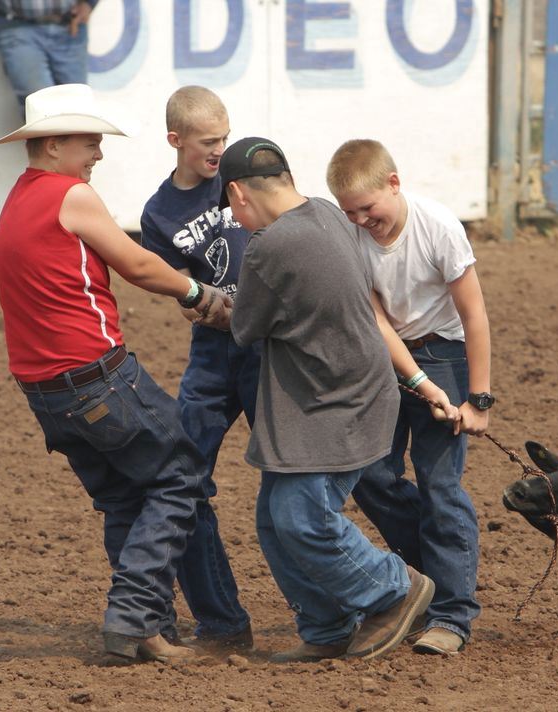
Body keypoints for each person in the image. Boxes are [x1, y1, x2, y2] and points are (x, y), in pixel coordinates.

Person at [0, 83, 231, 663]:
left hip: (45, 391)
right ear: (52, 146)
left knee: (124, 498)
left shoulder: (19, 197)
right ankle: (131, 617)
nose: (98, 154)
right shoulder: (68, 195)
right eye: (88, 143)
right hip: (95, 375)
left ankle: (149, 628)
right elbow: (137, 263)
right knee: (180, 473)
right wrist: (200, 290)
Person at [220, 136, 435, 663]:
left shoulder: (269, 248)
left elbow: (245, 326)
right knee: (277, 517)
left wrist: (205, 300)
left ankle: (394, 589)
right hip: (347, 390)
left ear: (237, 194)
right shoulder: (326, 214)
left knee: (299, 517)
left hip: (331, 402)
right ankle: (326, 628)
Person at [325, 138, 493, 655]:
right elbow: (375, 316)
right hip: (390, 360)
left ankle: (452, 613)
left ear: (393, 185)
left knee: (441, 484)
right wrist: (416, 378)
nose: (360, 220)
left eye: (367, 208)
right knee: (373, 475)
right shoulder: (353, 237)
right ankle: (432, 576)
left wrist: (478, 399)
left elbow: (474, 316)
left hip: (446, 352)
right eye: (349, 212)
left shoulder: (438, 227)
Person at [140, 86, 259, 650]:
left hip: (269, 346)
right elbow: (174, 286)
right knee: (181, 478)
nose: (219, 150)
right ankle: (222, 623)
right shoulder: (159, 213)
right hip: (213, 353)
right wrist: (203, 304)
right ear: (176, 141)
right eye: (209, 142)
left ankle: (408, 588)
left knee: (311, 472)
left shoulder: (241, 172)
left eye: (224, 138)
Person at [0, 1, 97, 109]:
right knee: (39, 105)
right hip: (17, 25)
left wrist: (89, 3)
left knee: (77, 106)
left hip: (70, 24)